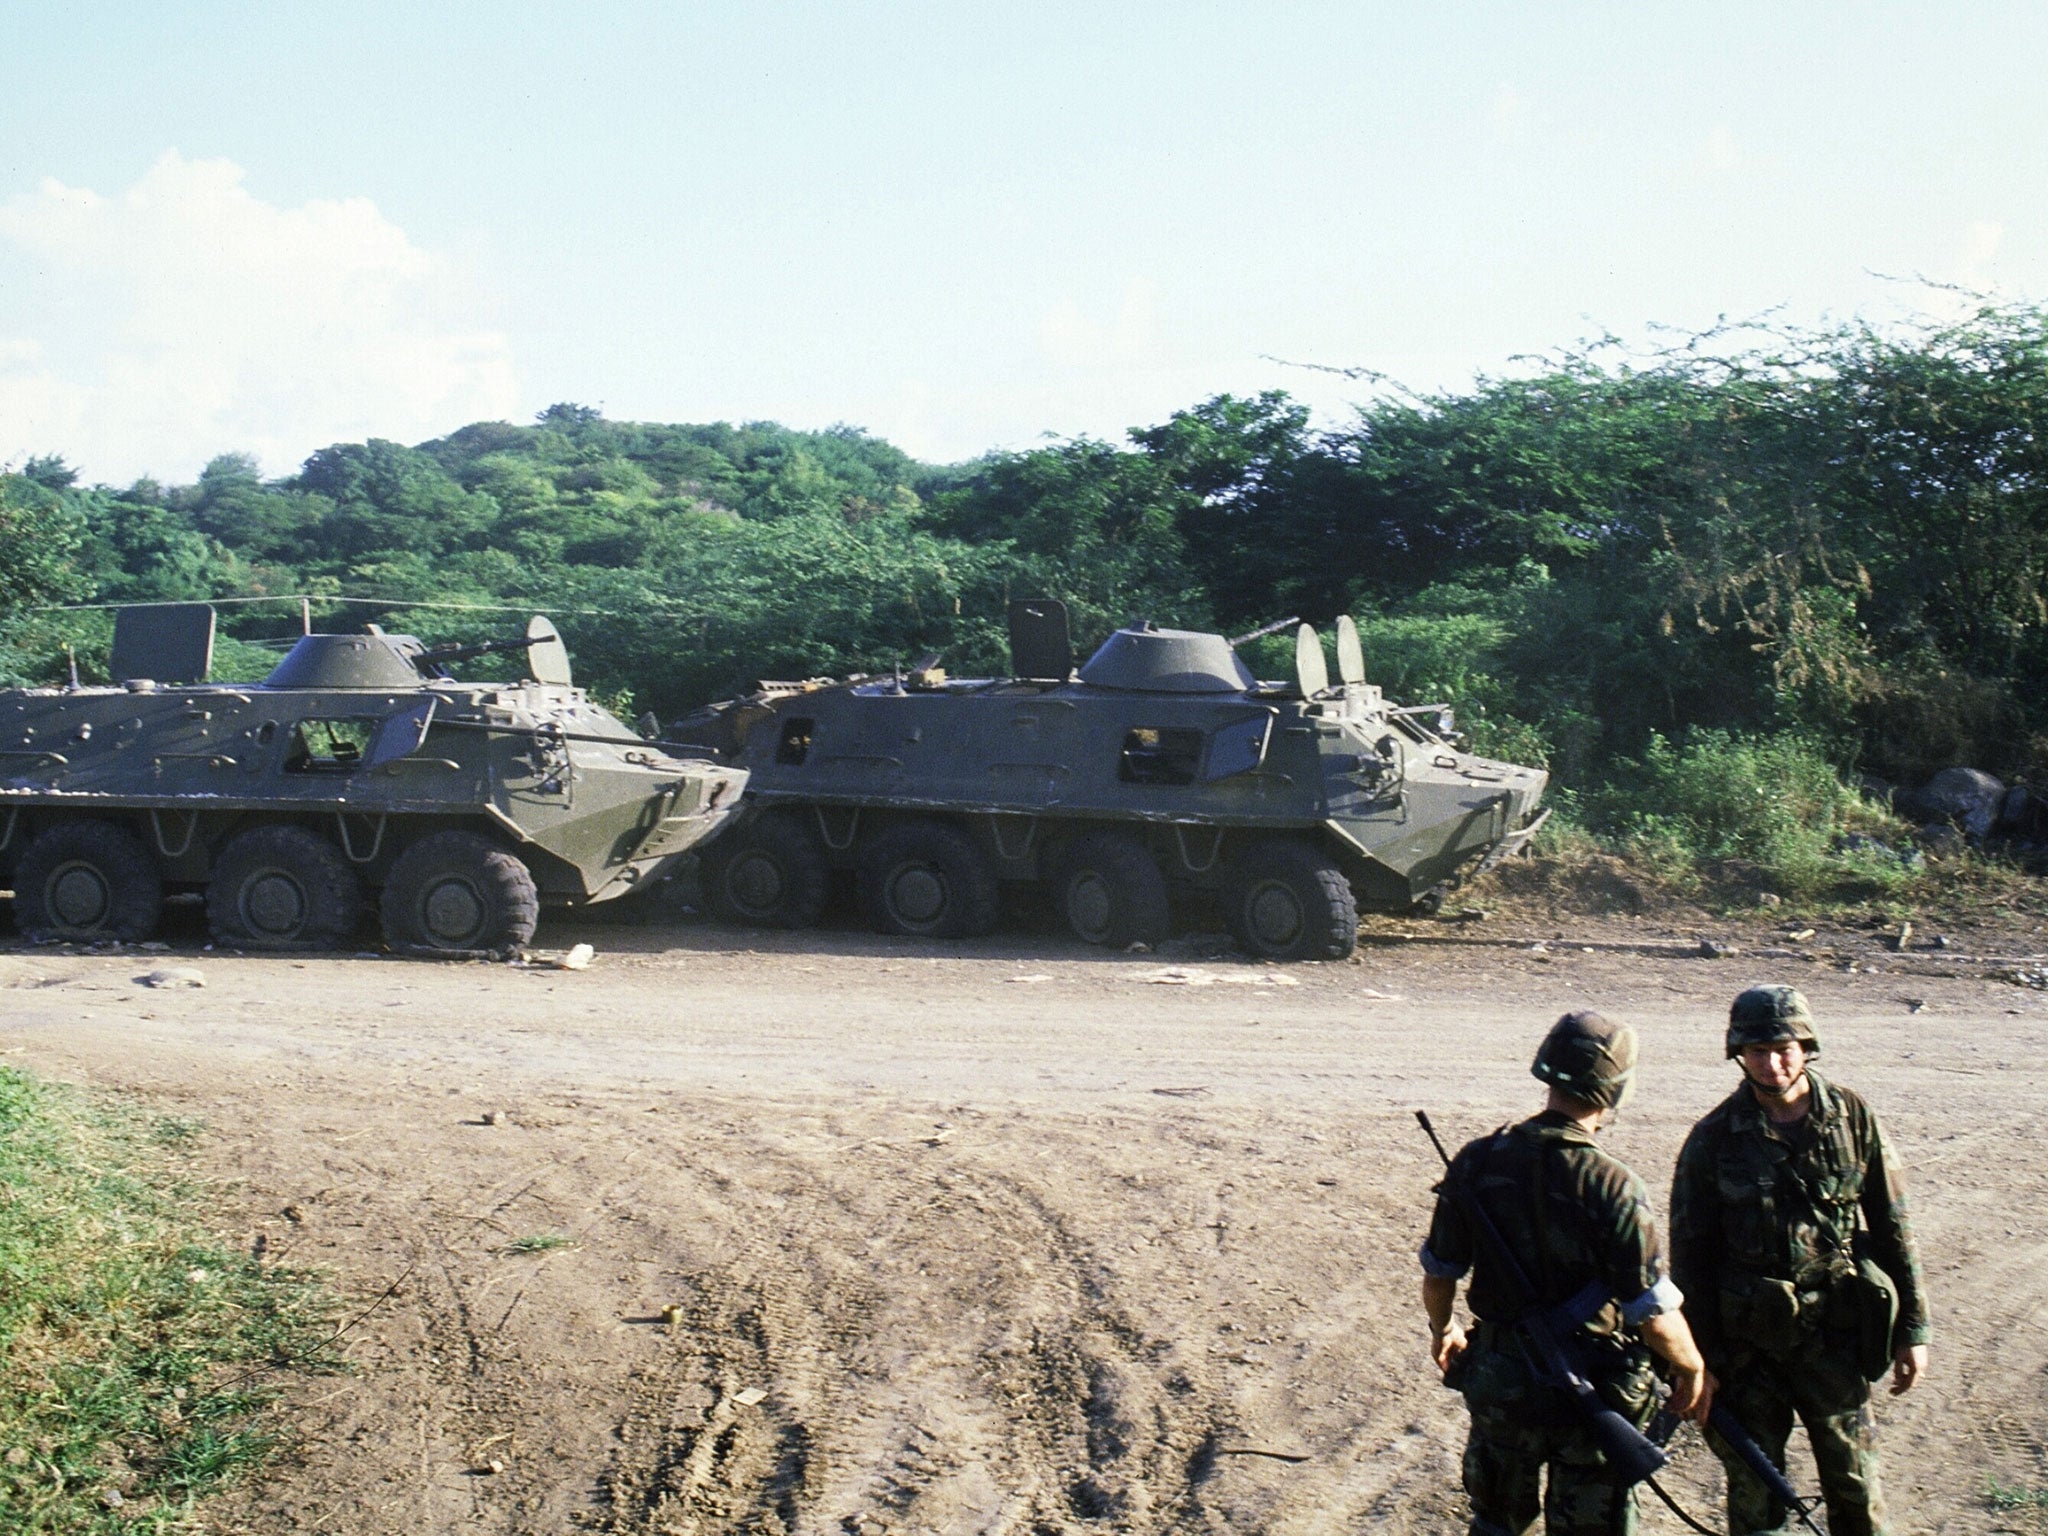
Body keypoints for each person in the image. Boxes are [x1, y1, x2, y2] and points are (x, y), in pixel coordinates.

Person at [1421, 1011, 1715, 1536]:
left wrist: (1444, 1328)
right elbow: (1651, 1313)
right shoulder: (1614, 1185)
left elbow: (1441, 1274)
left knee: (1495, 1523)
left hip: (1503, 1380)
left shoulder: (1477, 1161)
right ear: (1614, 1092)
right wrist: (1691, 1367)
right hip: (1593, 1387)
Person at [1670, 986, 1930, 1536]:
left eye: (1783, 1048)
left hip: (1834, 1339)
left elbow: (1892, 1226)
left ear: (1806, 1045)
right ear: (1738, 1053)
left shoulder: (1853, 1117)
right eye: (1757, 1050)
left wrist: (1913, 1328)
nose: (1771, 1063)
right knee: (1757, 1497)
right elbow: (1689, 1258)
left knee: (1856, 1490)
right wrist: (1700, 1361)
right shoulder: (1712, 1139)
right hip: (1747, 1352)